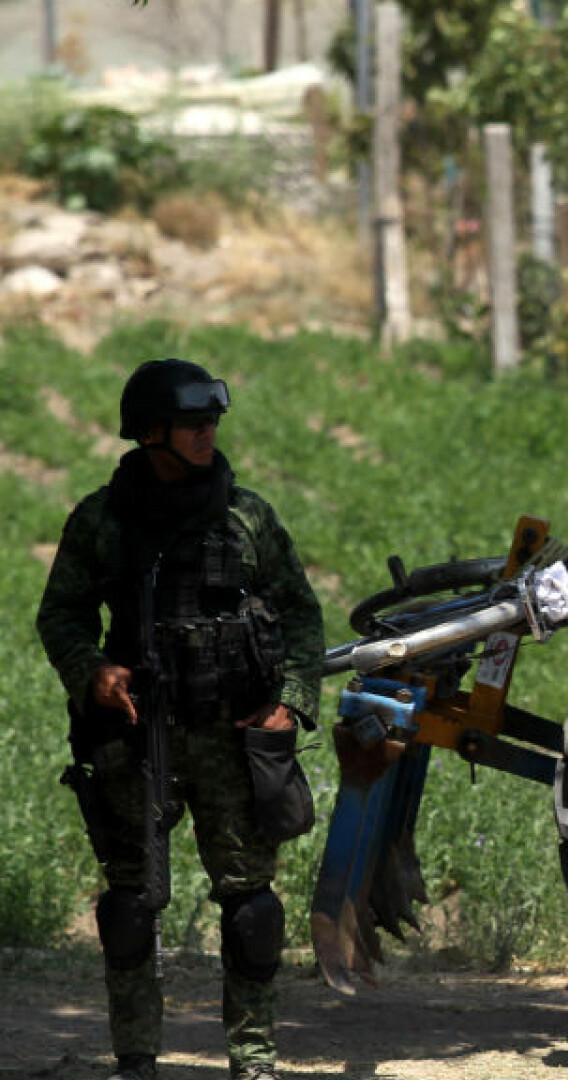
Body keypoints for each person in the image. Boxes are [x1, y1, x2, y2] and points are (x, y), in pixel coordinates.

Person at [37, 359, 324, 1080]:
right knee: (130, 910)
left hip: (233, 741)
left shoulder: (247, 517)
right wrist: (92, 674)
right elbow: (61, 614)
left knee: (253, 914)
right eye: (194, 423)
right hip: (136, 738)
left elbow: (300, 614)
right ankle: (136, 1059)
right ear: (151, 434)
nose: (209, 434)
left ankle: (252, 1061)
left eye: (213, 421)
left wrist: (290, 701)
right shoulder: (102, 521)